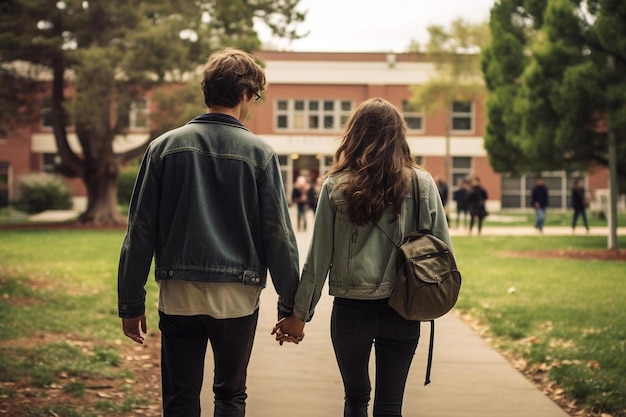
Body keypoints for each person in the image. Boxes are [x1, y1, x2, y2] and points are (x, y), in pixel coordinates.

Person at [117, 48, 301, 417]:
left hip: (179, 294)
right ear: (246, 93)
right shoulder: (260, 153)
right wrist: (291, 306)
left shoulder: (163, 148)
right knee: (230, 396)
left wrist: (130, 303)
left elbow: (140, 231)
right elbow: (277, 235)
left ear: (208, 90)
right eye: (256, 96)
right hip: (237, 297)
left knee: (180, 399)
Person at [272, 98, 453, 417]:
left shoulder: (334, 185)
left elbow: (318, 260)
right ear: (399, 135)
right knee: (389, 405)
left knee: (355, 398)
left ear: (354, 135)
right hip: (404, 308)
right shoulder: (422, 183)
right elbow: (442, 252)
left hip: (351, 312)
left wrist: (298, 316)